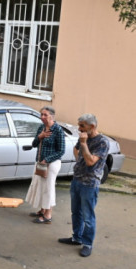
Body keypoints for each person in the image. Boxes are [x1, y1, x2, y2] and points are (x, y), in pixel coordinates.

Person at [58, 114, 109, 257]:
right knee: (76, 212)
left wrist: (85, 144)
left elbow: (91, 162)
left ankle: (87, 244)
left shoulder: (102, 142)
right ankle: (76, 237)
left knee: (88, 216)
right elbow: (76, 149)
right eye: (79, 125)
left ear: (92, 126)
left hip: (90, 184)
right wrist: (78, 159)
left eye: (82, 126)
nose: (79, 128)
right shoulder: (82, 138)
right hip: (77, 180)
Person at [25, 106, 65, 223]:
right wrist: (40, 136)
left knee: (48, 188)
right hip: (40, 163)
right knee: (40, 186)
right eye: (41, 114)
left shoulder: (58, 130)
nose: (42, 117)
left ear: (52, 116)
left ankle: (48, 215)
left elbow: (61, 150)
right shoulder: (41, 128)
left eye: (45, 115)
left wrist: (47, 159)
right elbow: (34, 144)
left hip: (52, 164)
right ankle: (42, 210)